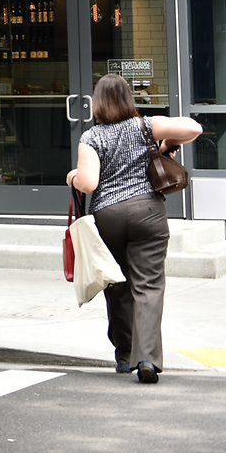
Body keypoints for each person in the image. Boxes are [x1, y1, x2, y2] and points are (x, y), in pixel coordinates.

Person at [66, 73, 201, 384]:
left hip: (108, 217)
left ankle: (125, 356)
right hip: (147, 213)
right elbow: (194, 128)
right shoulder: (145, 126)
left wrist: (72, 176)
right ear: (128, 98)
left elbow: (89, 183)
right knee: (148, 286)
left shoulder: (91, 137)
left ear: (97, 103)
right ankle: (148, 359)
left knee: (116, 285)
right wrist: (165, 143)